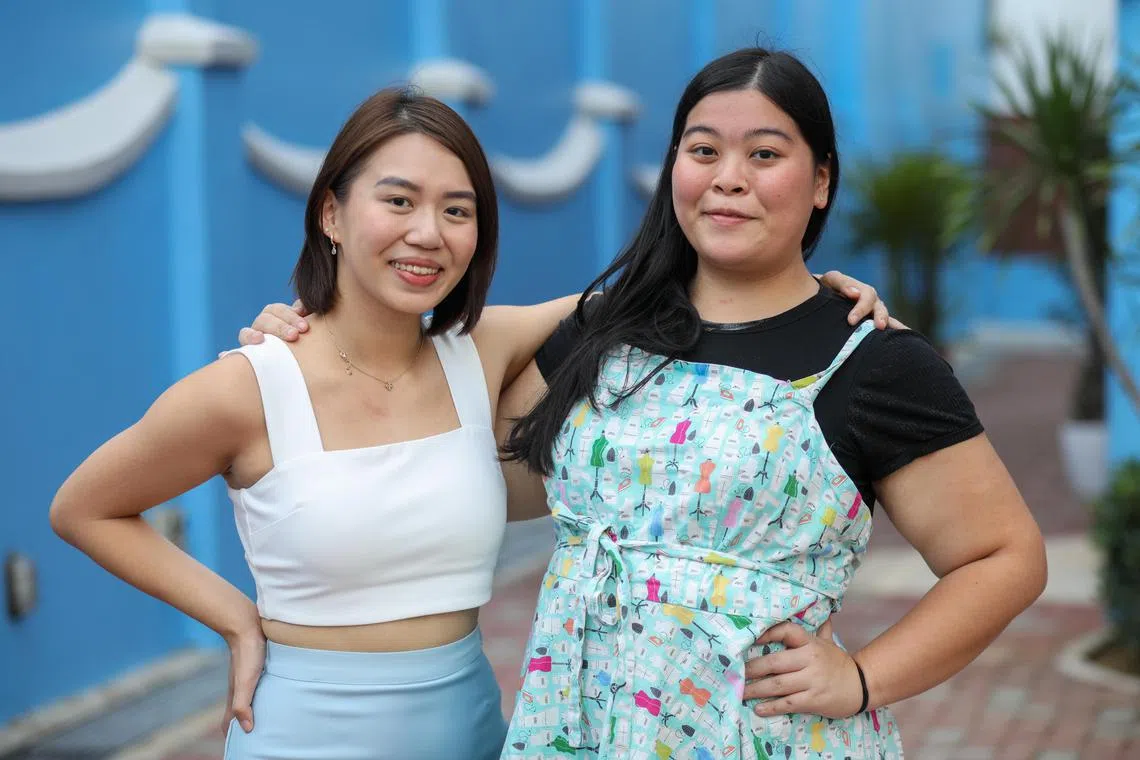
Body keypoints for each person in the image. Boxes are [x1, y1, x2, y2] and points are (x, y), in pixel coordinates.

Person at [52, 86, 888, 760]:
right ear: (331, 215)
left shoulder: (482, 351)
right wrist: (235, 617)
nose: (428, 233)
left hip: (471, 728)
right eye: (399, 200)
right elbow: (85, 507)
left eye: (457, 210)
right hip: (307, 729)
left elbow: (683, 293)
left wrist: (828, 294)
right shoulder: (248, 388)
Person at [489, 47, 1047, 758]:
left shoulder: (870, 361)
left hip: (761, 737)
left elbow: (1005, 556)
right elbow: (477, 454)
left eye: (764, 154)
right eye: (703, 150)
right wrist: (320, 337)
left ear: (820, 182)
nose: (728, 179)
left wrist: (863, 678)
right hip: (579, 733)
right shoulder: (599, 341)